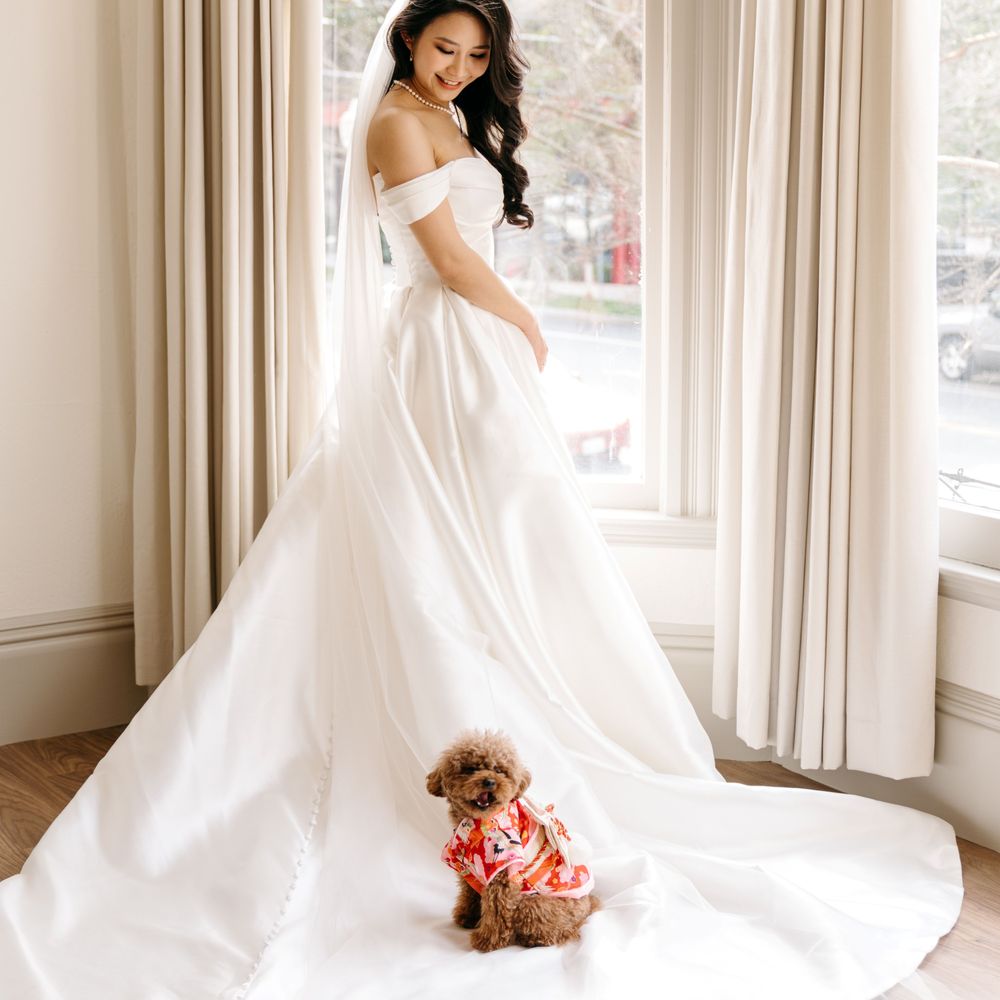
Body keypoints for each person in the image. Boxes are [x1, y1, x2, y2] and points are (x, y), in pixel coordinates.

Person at [0, 2, 962, 998]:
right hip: (444, 344)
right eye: (442, 48)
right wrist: (526, 325)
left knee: (507, 539)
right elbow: (452, 261)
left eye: (474, 54)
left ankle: (529, 719)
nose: (458, 67)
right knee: (439, 538)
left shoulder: (448, 117)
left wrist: (505, 327)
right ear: (407, 40)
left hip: (470, 346)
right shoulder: (392, 122)